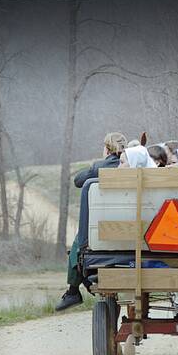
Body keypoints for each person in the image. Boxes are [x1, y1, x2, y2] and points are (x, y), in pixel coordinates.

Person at [56, 132, 127, 311]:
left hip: (103, 224)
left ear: (107, 148)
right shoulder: (133, 165)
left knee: (79, 243)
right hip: (129, 222)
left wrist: (95, 166)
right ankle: (85, 284)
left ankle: (73, 291)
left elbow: (78, 180)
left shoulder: (99, 167)